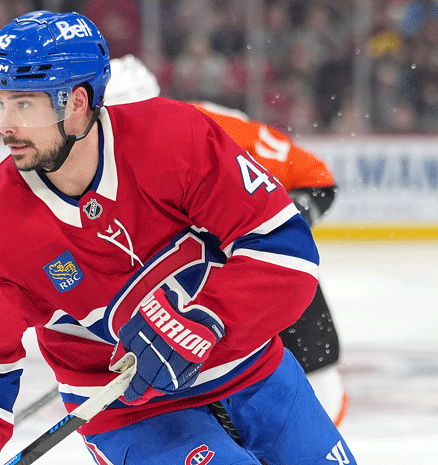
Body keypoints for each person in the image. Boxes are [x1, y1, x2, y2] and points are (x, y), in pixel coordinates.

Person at [0, 11, 357, 465]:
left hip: (249, 367)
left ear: (77, 102)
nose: (5, 125)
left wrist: (207, 318)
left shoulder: (176, 137)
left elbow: (286, 248)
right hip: (131, 411)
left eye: (22, 104)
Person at [104, 54, 348, 427]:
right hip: (183, 279)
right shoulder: (89, 165)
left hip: (253, 267)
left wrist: (278, 227)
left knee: (313, 362)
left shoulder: (210, 126)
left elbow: (312, 176)